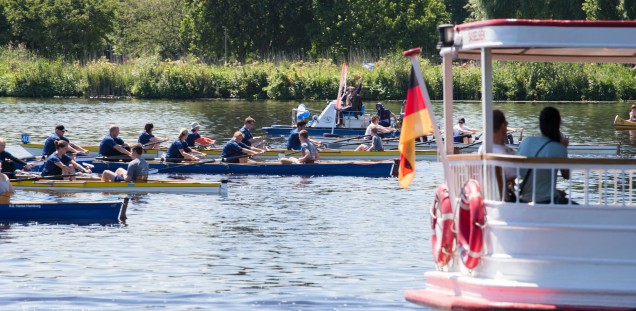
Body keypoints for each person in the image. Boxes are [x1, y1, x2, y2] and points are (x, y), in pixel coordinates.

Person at [516, 107, 572, 204]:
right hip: (547, 201)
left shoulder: (526, 141)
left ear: (540, 124)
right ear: (558, 125)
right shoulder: (559, 148)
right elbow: (567, 175)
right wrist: (564, 148)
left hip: (522, 199)